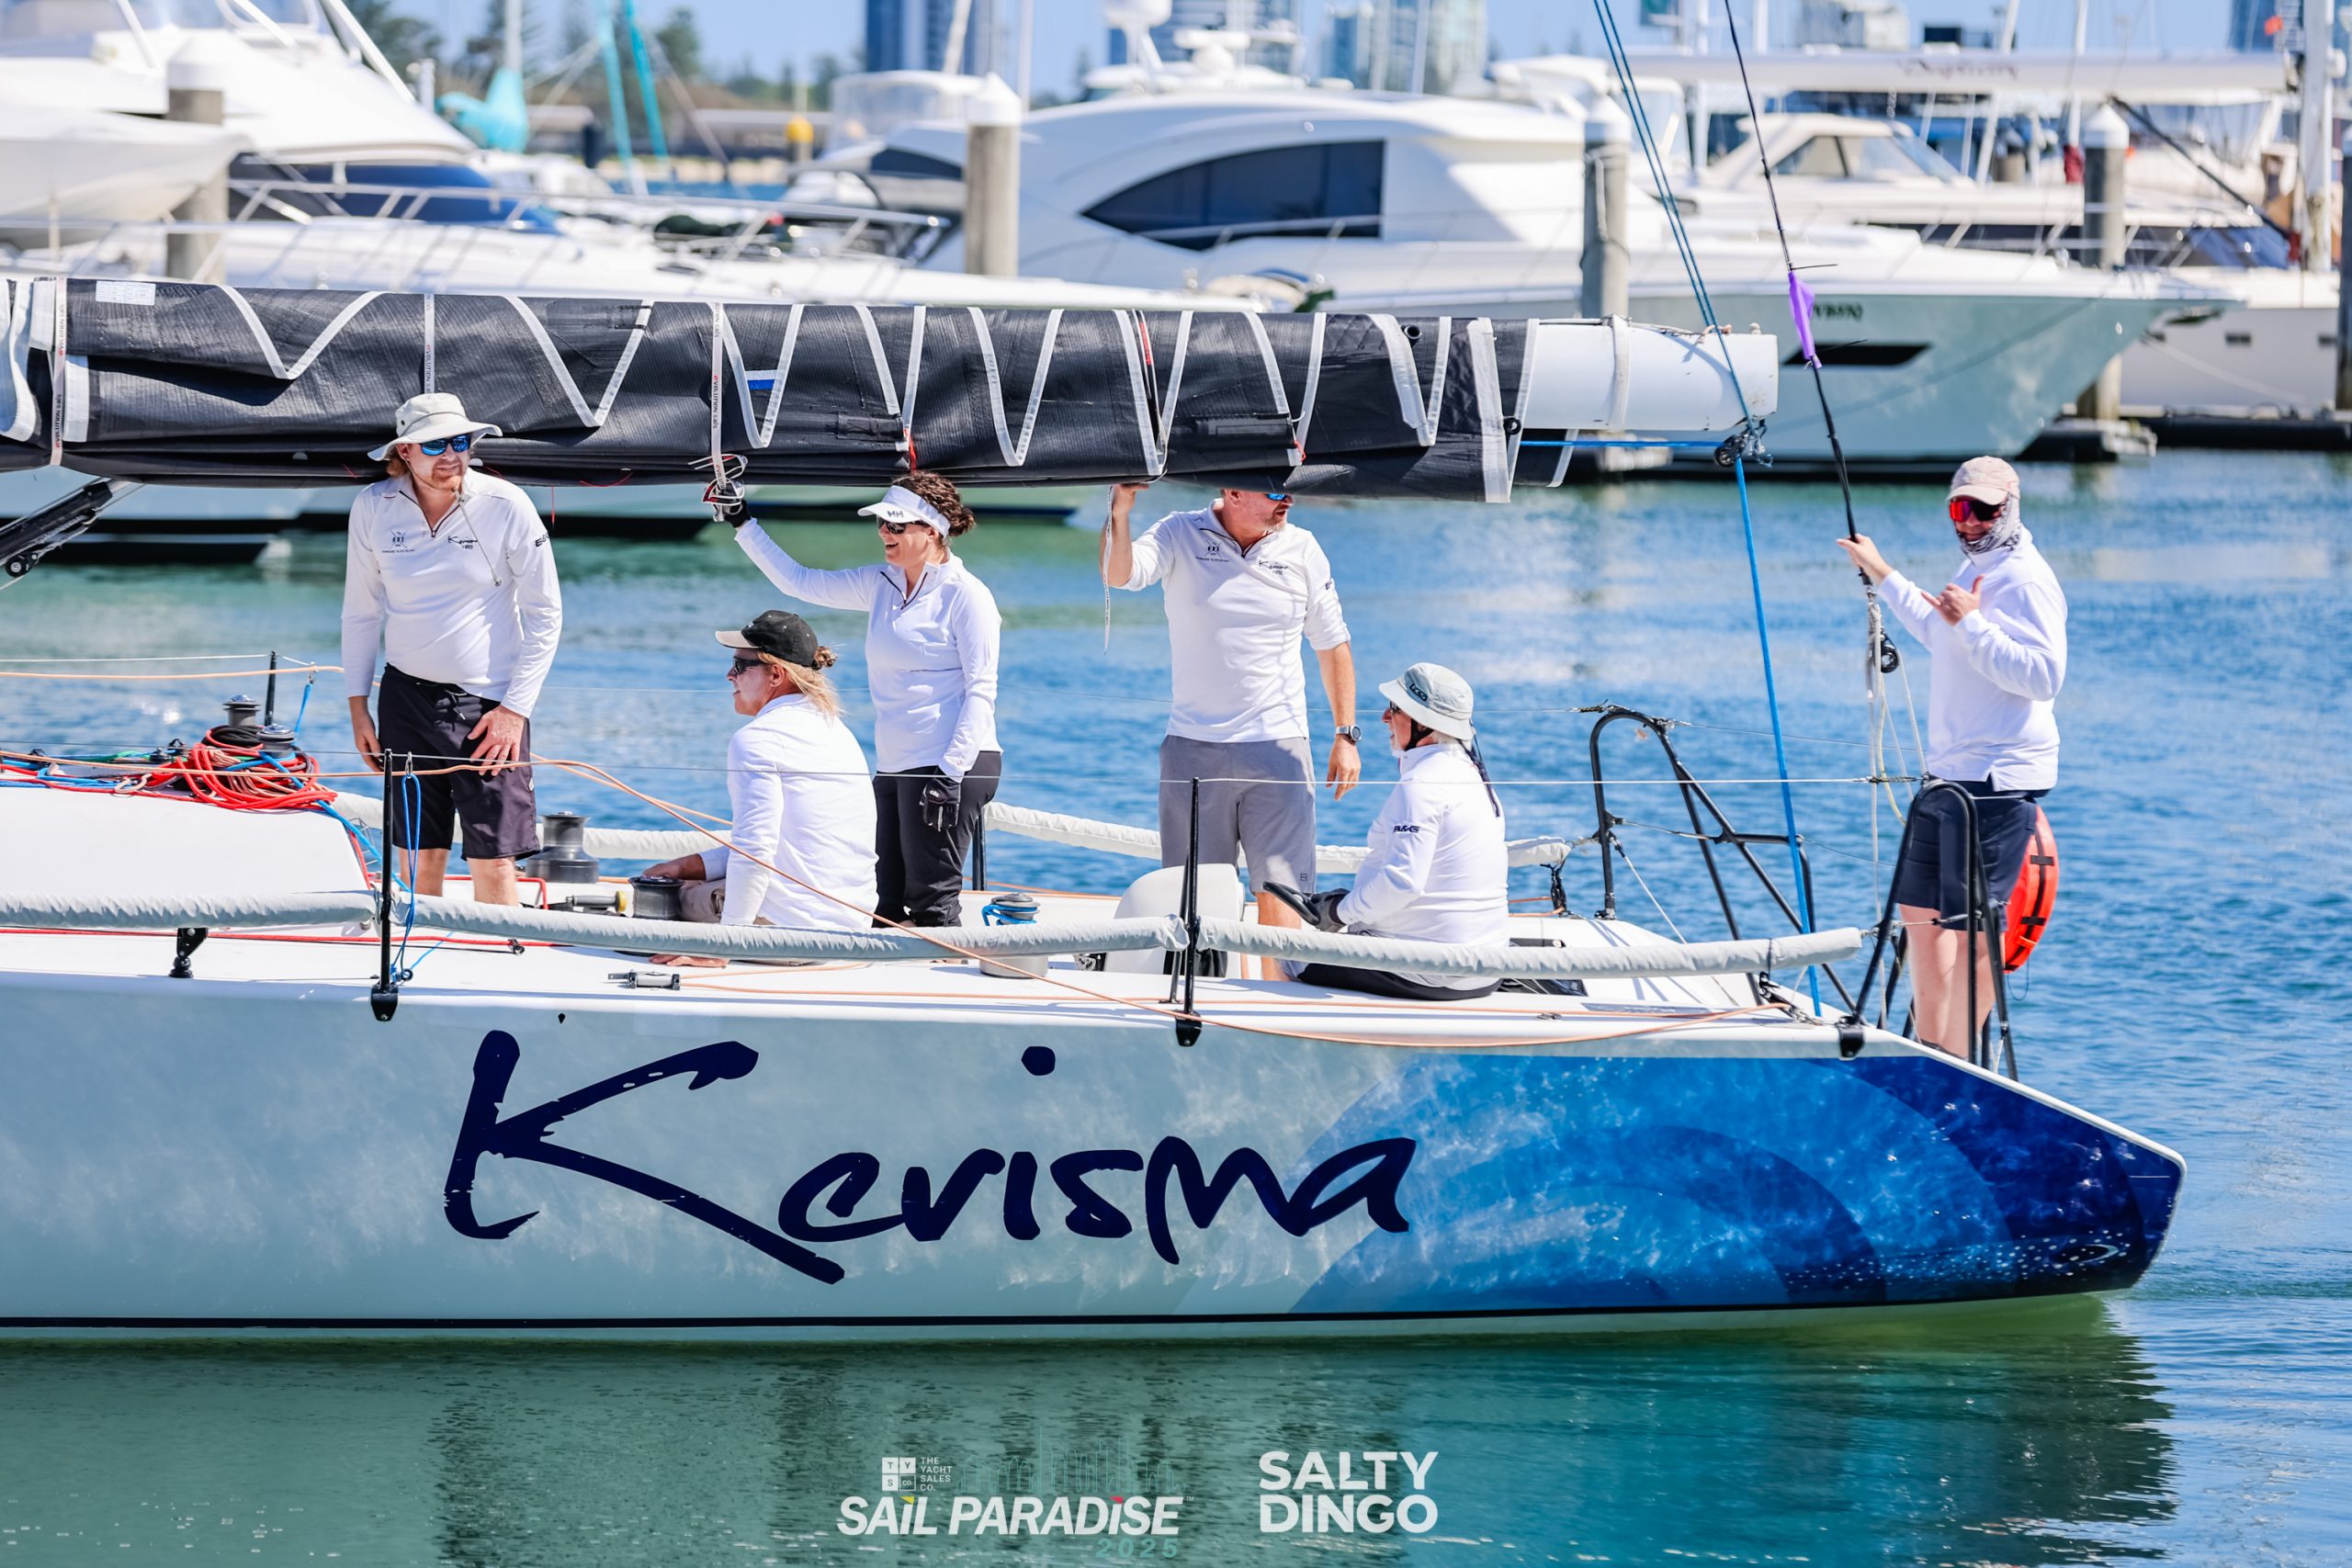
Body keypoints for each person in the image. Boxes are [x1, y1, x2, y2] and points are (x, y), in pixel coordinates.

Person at [1837, 456, 2067, 1058]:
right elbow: (1940, 632)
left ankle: (1961, 1062)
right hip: (1946, 777)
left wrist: (1973, 626)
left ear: (2010, 508)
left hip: (1995, 780)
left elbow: (2044, 676)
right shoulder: (1977, 567)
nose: (1969, 522)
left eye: (1983, 510)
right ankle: (1932, 1053)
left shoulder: (2026, 578)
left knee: (1974, 932)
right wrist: (1882, 572)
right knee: (1919, 917)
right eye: (1959, 509)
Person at [730, 472, 1001, 928]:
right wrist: (742, 522)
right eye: (881, 524)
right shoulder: (881, 582)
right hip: (895, 765)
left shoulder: (967, 596)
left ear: (932, 530)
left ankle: (942, 971)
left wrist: (949, 774)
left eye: (896, 526)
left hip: (950, 764)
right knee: (881, 904)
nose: (883, 533)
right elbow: (799, 582)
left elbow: (982, 691)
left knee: (932, 906)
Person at [1102, 481, 1360, 937]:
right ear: (1234, 491)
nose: (1288, 500)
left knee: (1282, 891)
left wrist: (1346, 734)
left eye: (1289, 490)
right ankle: (1203, 983)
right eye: (1274, 492)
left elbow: (1332, 643)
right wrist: (1120, 513)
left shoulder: (1302, 547)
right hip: (1193, 747)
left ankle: (1277, 984)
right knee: (1193, 897)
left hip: (1278, 748)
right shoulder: (1179, 531)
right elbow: (1119, 574)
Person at [342, 392, 561, 906]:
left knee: (495, 858)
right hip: (404, 699)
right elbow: (360, 613)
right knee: (417, 854)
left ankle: (503, 955)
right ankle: (420, 950)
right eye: (435, 444)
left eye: (460, 442)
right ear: (404, 451)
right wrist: (358, 708)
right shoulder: (372, 506)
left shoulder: (507, 504)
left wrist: (514, 711)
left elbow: (546, 615)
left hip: (489, 707)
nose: (452, 455)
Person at [639, 611, 879, 966]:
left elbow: (756, 847)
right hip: (851, 928)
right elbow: (779, 843)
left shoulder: (758, 739)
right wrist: (686, 865)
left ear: (776, 675)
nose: (729, 675)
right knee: (690, 880)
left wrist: (726, 947)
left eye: (740, 665)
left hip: (789, 934)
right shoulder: (838, 733)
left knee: (675, 897)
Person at [1276, 663, 1509, 1001]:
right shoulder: (1474, 776)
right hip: (1485, 970)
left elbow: (1403, 883)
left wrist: (1337, 912)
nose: (1385, 717)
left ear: (1424, 724)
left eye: (1395, 708)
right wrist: (1348, 904)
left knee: (1288, 956)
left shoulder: (1422, 784)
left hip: (1431, 971)